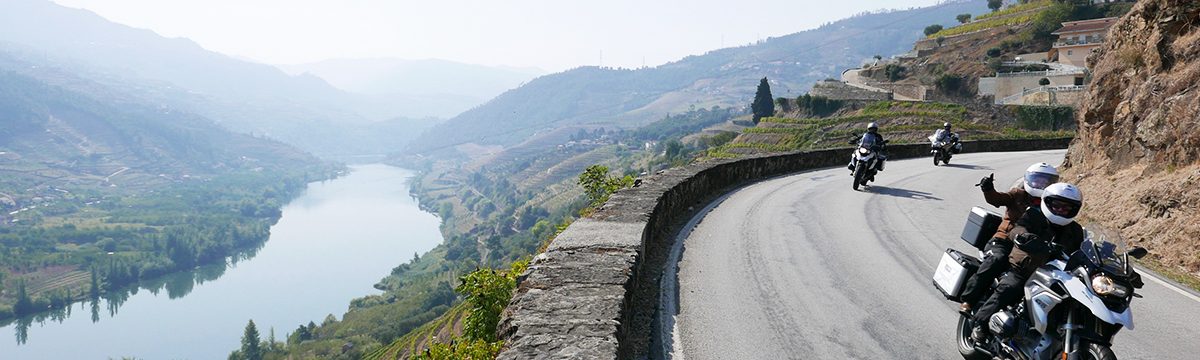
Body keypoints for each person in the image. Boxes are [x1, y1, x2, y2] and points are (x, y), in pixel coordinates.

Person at [972, 182, 1085, 342]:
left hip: (1055, 276)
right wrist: (1023, 236)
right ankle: (980, 323)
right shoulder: (1033, 215)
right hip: (1024, 270)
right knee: (1010, 288)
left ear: (1073, 210)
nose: (1060, 210)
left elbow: (1082, 250)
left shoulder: (1076, 230)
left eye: (1066, 208)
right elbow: (1017, 229)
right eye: (1057, 206)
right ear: (1047, 203)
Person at [959, 163, 1059, 312]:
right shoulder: (1017, 194)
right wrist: (988, 189)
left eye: (1045, 181)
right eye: (1037, 180)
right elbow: (997, 199)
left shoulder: (1051, 203)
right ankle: (969, 299)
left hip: (1026, 249)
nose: (1040, 184)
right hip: (1003, 241)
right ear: (1029, 179)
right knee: (996, 260)